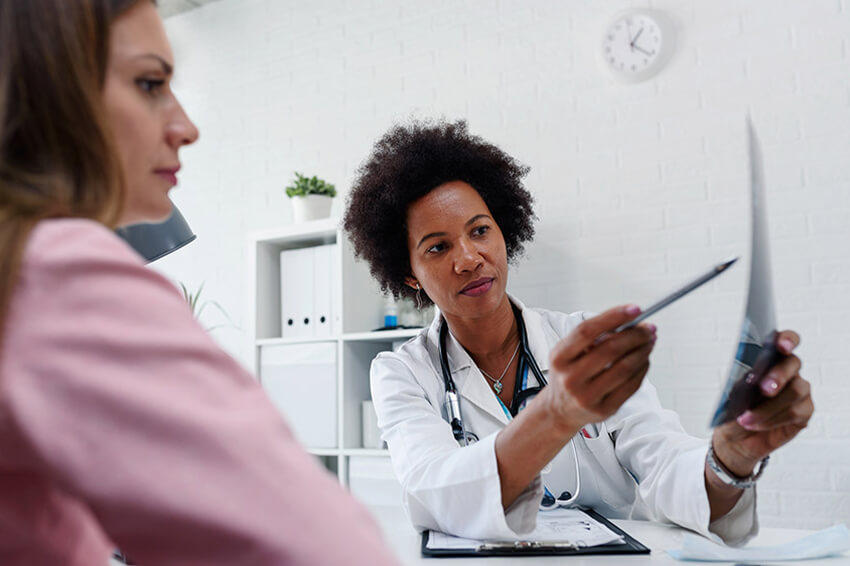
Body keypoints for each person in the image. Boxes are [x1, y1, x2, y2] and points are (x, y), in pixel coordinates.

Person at [0, 1, 399, 565]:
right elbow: (323, 547)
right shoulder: (52, 270)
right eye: (148, 83)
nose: (185, 127)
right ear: (50, 93)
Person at [343, 119, 813, 546]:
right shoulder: (402, 372)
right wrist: (556, 414)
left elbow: (664, 463)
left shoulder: (581, 342)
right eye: (438, 246)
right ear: (408, 275)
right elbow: (434, 490)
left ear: (504, 232)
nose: (468, 258)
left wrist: (729, 458)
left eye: (480, 231)